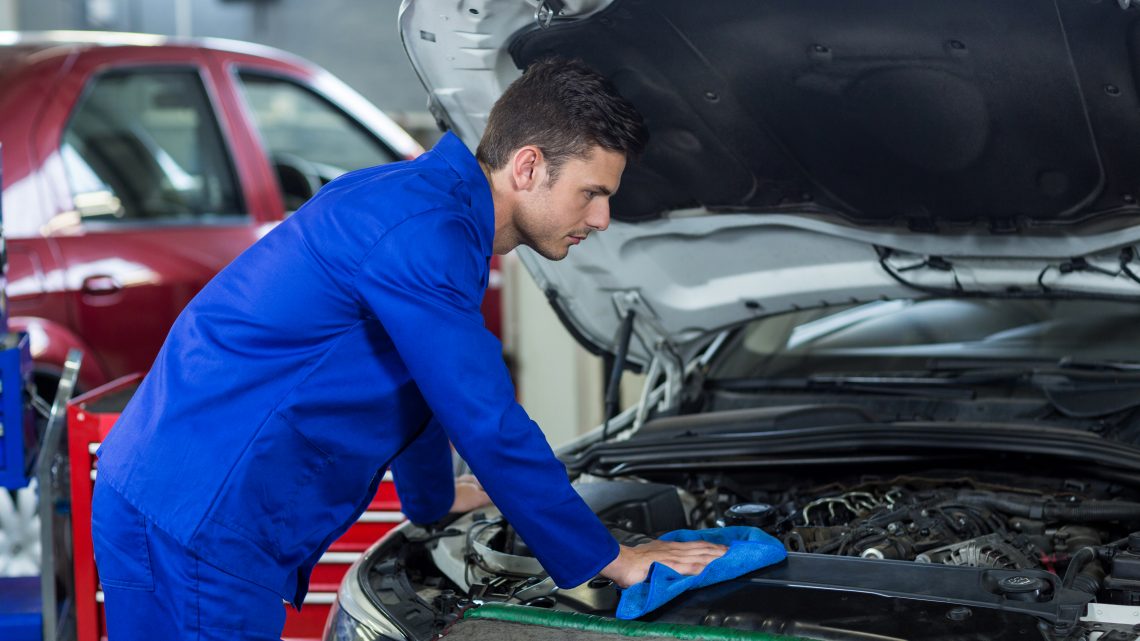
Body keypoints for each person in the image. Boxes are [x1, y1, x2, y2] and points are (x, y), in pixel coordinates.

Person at [90, 57, 726, 640]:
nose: (602, 219)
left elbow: (419, 382)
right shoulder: (423, 234)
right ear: (528, 166)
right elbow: (485, 416)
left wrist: (431, 499)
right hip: (200, 517)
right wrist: (610, 558)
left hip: (168, 491)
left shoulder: (429, 209)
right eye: (594, 192)